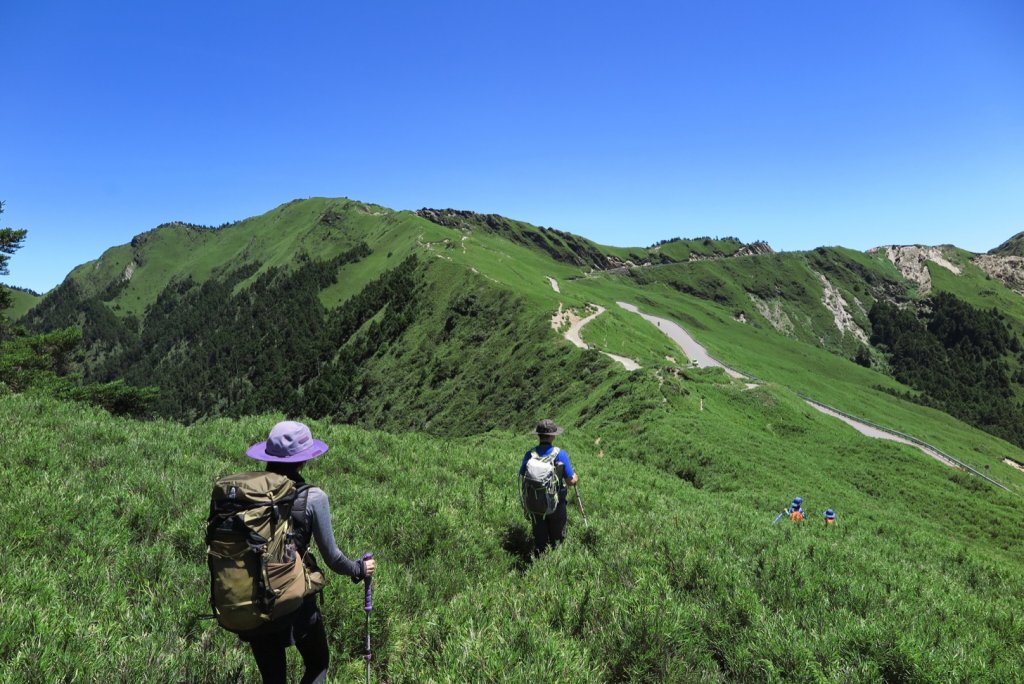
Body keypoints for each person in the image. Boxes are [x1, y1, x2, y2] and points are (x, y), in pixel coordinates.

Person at [241, 421, 376, 684]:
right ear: (302, 461)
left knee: (273, 679)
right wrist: (359, 569)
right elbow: (333, 558)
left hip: (252, 600)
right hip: (294, 602)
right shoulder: (313, 497)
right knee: (317, 664)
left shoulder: (246, 493)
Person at [519, 419, 579, 555]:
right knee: (557, 540)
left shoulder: (530, 455)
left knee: (540, 539)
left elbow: (523, 474)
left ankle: (539, 562)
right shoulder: (560, 454)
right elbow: (570, 481)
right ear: (552, 436)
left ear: (538, 435)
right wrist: (576, 477)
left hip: (535, 503)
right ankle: (556, 564)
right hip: (556, 504)